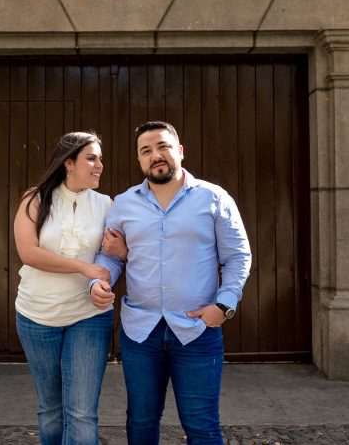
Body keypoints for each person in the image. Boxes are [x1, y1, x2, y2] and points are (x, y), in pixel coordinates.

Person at [90, 121, 252, 445]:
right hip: (140, 332)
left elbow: (237, 256)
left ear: (179, 150)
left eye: (163, 146)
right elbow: (109, 256)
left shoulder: (214, 198)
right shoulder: (123, 204)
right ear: (139, 160)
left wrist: (224, 306)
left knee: (202, 426)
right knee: (140, 422)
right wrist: (97, 282)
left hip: (197, 332)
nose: (156, 156)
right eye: (146, 151)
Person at [13, 131, 127, 445]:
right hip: (36, 316)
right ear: (68, 163)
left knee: (81, 413)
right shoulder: (33, 199)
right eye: (92, 158)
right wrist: (83, 267)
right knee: (51, 410)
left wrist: (107, 272)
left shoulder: (107, 205)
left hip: (88, 316)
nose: (100, 165)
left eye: (100, 159)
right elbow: (29, 253)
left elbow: (112, 256)